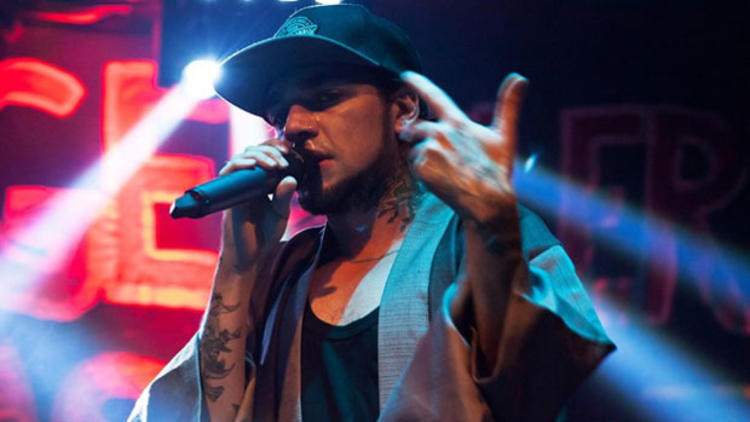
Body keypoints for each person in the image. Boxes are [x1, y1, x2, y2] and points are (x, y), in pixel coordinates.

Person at [129, 4, 614, 421]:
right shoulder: (284, 271)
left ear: (402, 110)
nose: (292, 126)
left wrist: (494, 230)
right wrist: (237, 270)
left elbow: (542, 389)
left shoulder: (479, 236)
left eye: (324, 98)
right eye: (278, 114)